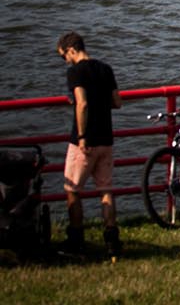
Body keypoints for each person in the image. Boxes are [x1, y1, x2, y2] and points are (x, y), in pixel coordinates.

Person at [57, 32, 121, 257]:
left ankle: (76, 241)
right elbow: (117, 102)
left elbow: (82, 103)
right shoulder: (106, 69)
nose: (65, 60)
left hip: (85, 141)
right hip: (106, 138)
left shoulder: (75, 72)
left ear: (72, 50)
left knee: (72, 190)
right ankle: (112, 240)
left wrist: (82, 136)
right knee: (106, 191)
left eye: (64, 55)